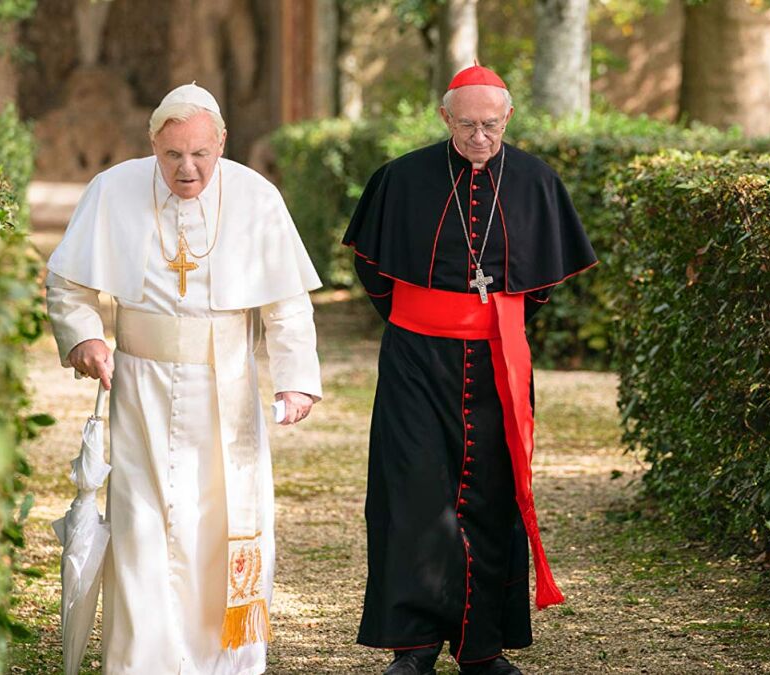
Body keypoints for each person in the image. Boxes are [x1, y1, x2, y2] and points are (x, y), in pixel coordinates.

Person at [45, 83, 323, 674]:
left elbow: (287, 304)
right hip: (139, 389)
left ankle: (223, 664)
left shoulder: (256, 197)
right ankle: (141, 662)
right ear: (154, 145)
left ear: (222, 142)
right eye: (172, 155)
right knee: (142, 528)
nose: (187, 169)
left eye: (200, 153)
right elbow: (68, 285)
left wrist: (295, 379)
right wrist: (85, 338)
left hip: (228, 392)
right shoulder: (113, 189)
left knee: (220, 527)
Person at [343, 65, 598, 675]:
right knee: (412, 494)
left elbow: (541, 283)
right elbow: (373, 271)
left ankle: (481, 646)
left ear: (507, 118)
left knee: (490, 496)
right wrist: (426, 319)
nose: (480, 137)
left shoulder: (536, 180)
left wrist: (489, 319)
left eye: (490, 125)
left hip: (496, 360)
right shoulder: (401, 178)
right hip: (415, 359)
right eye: (466, 125)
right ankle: (413, 646)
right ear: (445, 118)